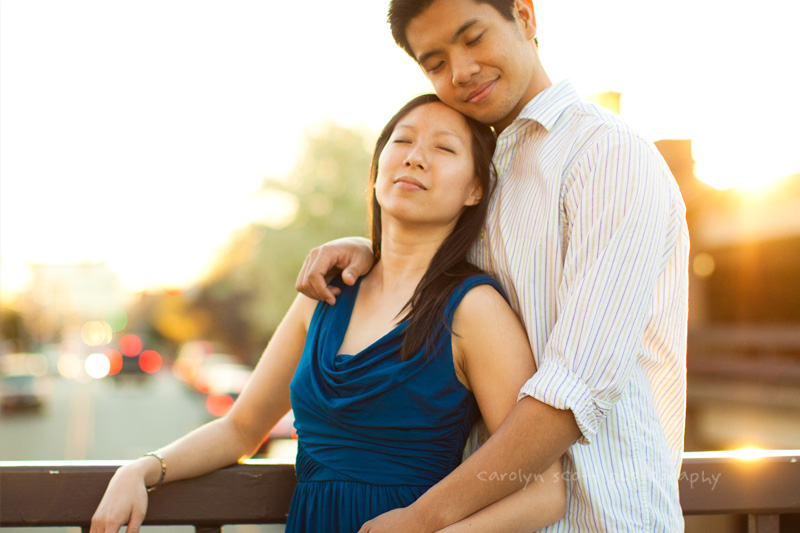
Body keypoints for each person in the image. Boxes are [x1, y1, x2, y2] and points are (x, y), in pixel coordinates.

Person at [90, 94, 567, 533]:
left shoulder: (475, 310)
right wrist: (143, 469)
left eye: (444, 150)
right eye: (401, 141)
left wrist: (426, 530)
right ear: (378, 168)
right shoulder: (326, 294)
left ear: (475, 189)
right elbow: (240, 428)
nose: (415, 156)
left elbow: (544, 491)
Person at [297, 1, 690, 531]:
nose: (460, 71)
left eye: (473, 37)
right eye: (434, 63)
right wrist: (372, 252)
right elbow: (428, 264)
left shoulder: (606, 156)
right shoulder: (483, 173)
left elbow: (574, 389)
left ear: (525, 16)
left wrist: (420, 519)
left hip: (602, 518)